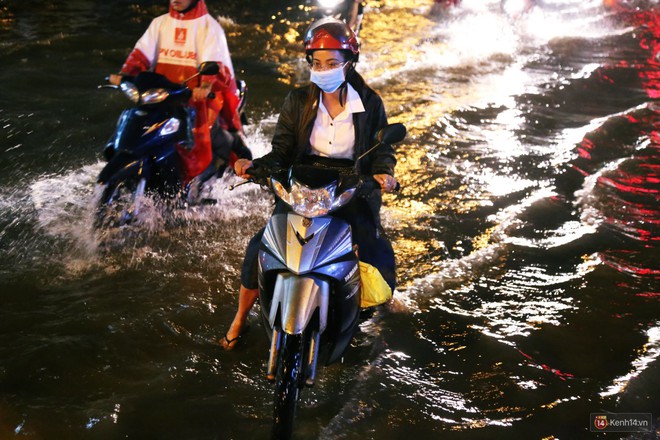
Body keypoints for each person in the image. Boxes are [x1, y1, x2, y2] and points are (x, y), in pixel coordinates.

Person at [221, 17, 399, 350]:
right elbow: (281, 151)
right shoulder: (298, 100)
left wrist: (382, 175)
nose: (324, 69)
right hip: (302, 182)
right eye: (317, 63)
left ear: (349, 63)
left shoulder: (370, 103)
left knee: (370, 250)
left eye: (332, 63)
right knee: (261, 247)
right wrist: (254, 167)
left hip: (349, 183)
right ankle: (240, 318)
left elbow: (382, 151)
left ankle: (358, 317)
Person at [108, 0, 251, 186]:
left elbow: (215, 64)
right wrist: (124, 76)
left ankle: (240, 168)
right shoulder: (160, 24)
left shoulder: (210, 28)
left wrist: (206, 86)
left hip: (195, 101)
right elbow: (140, 57)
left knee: (209, 135)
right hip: (160, 98)